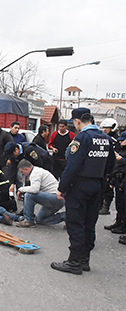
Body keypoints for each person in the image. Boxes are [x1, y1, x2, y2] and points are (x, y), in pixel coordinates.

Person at [51, 108, 115, 275]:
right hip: (97, 186)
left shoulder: (82, 138)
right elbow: (111, 165)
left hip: (80, 186)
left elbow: (72, 167)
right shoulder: (106, 139)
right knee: (89, 223)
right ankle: (84, 260)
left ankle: (74, 262)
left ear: (77, 121)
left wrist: (62, 188)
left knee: (76, 223)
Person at [15, 160, 65, 227]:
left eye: (22, 172)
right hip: (56, 198)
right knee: (40, 220)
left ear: (26, 169)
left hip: (55, 197)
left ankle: (28, 220)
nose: (22, 174)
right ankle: (65, 216)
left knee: (28, 195)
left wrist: (21, 189)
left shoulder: (35, 173)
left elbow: (35, 190)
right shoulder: (37, 170)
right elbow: (35, 198)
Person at [105, 131, 126, 240]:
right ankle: (118, 222)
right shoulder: (121, 150)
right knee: (119, 203)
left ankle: (123, 226)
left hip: (123, 179)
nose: (121, 142)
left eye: (123, 140)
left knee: (124, 205)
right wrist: (112, 180)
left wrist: (121, 159)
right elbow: (116, 166)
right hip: (118, 178)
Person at [98, 118, 120, 215]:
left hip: (112, 167)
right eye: (104, 128)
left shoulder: (115, 140)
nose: (105, 130)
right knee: (101, 187)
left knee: (108, 187)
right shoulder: (104, 138)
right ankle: (100, 204)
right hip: (103, 166)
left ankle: (106, 207)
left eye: (107, 128)